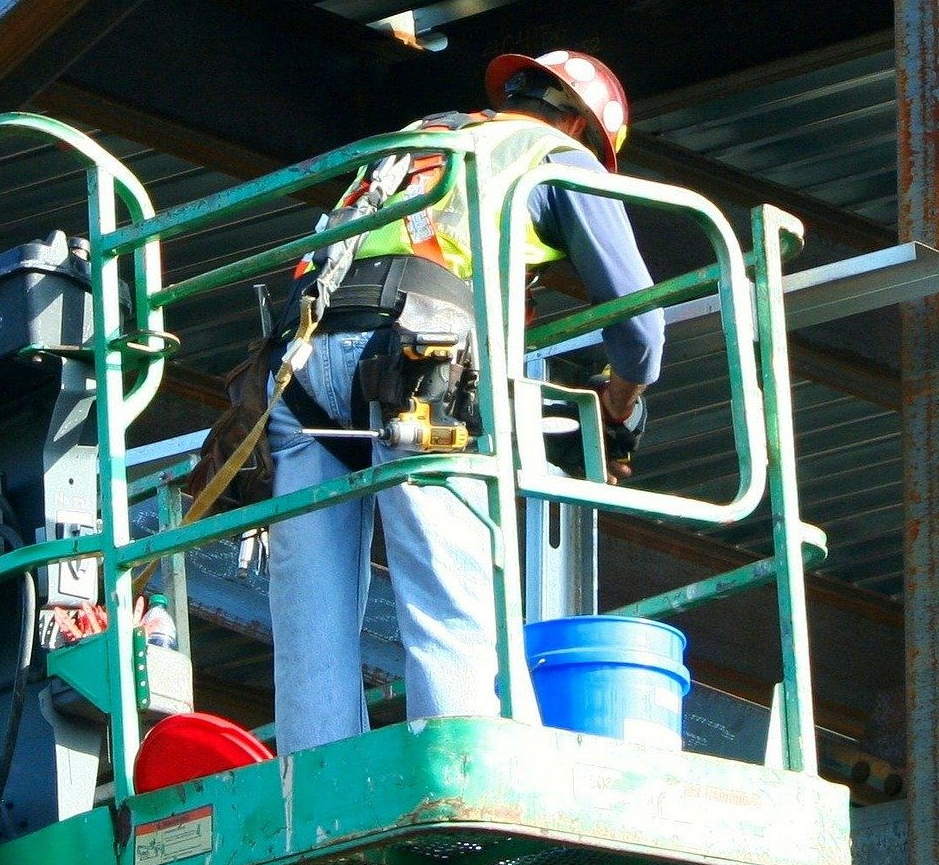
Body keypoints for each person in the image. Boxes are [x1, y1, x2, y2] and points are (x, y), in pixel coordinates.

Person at [266, 50, 665, 753]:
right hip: (414, 362)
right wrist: (618, 398)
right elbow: (641, 328)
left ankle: (317, 801)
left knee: (309, 626)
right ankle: (462, 780)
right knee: (448, 603)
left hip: (301, 364)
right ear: (575, 123)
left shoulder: (426, 141)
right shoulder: (554, 156)